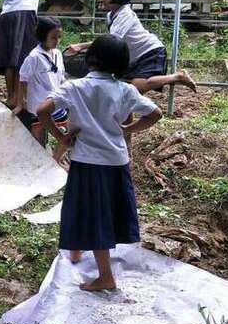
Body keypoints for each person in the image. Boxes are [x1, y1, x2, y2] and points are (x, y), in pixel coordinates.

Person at [36, 35, 162, 291]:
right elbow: (155, 113)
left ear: (91, 58)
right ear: (121, 62)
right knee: (101, 212)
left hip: (86, 161)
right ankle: (76, 249)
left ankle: (105, 276)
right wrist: (128, 129)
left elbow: (42, 110)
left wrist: (61, 137)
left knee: (89, 212)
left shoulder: (75, 87)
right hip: (116, 162)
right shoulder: (126, 90)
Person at [66, 0, 196, 95]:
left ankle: (178, 77)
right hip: (133, 56)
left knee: (137, 87)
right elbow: (109, 40)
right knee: (124, 89)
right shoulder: (111, 15)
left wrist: (82, 46)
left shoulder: (125, 14)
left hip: (150, 51)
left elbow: (112, 40)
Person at [15, 16, 70, 162]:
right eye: (53, 37)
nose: (57, 41)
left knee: (65, 133)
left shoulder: (57, 54)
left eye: (59, 37)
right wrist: (21, 103)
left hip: (56, 102)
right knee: (37, 136)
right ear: (42, 35)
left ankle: (56, 160)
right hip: (38, 105)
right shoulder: (34, 57)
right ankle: (38, 162)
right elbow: (23, 78)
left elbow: (61, 77)